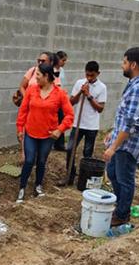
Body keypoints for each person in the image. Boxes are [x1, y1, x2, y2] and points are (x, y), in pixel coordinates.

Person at [102, 48, 139, 227]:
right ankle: (120, 205)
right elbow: (125, 116)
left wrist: (113, 147)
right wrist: (113, 132)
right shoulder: (136, 83)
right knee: (112, 173)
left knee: (125, 179)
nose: (121, 65)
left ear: (133, 65)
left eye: (124, 62)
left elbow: (131, 124)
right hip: (122, 140)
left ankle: (122, 214)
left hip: (128, 144)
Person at [16, 63, 74, 202]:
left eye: (38, 75)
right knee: (29, 160)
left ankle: (38, 186)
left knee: (42, 161)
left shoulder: (60, 94)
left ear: (46, 76)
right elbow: (23, 110)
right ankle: (22, 188)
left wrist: (60, 130)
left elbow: (70, 115)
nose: (35, 77)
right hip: (31, 132)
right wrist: (20, 129)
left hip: (48, 135)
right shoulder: (31, 90)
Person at [57, 61, 107, 187]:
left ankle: (84, 179)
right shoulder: (79, 83)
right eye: (87, 74)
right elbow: (71, 102)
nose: (89, 77)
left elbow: (100, 108)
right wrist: (80, 92)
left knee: (87, 154)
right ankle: (70, 176)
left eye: (92, 75)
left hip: (91, 126)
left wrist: (88, 95)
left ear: (98, 73)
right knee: (70, 149)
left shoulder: (102, 87)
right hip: (77, 124)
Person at [53, 51, 70, 151]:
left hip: (61, 99)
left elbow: (63, 83)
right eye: (63, 60)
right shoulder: (51, 70)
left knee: (61, 120)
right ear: (58, 59)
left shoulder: (62, 70)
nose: (64, 62)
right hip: (53, 99)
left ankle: (60, 144)